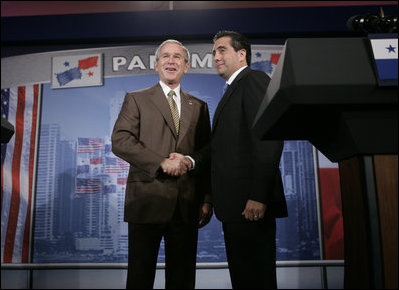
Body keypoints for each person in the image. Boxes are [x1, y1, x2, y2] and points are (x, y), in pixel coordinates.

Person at [111, 39, 212, 289]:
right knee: (140, 278)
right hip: (147, 201)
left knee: (182, 279)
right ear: (156, 65)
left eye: (177, 57)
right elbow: (120, 140)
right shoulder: (136, 99)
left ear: (186, 66)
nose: (171, 61)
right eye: (165, 56)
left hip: (187, 205)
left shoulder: (199, 106)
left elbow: (207, 153)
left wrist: (207, 198)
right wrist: (160, 162)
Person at [210, 31, 288, 288]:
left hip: (250, 205)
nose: (216, 56)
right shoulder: (233, 89)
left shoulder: (253, 80)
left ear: (241, 54)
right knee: (244, 279)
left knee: (257, 278)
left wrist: (259, 195)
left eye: (222, 50)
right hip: (235, 207)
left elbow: (268, 139)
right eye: (214, 52)